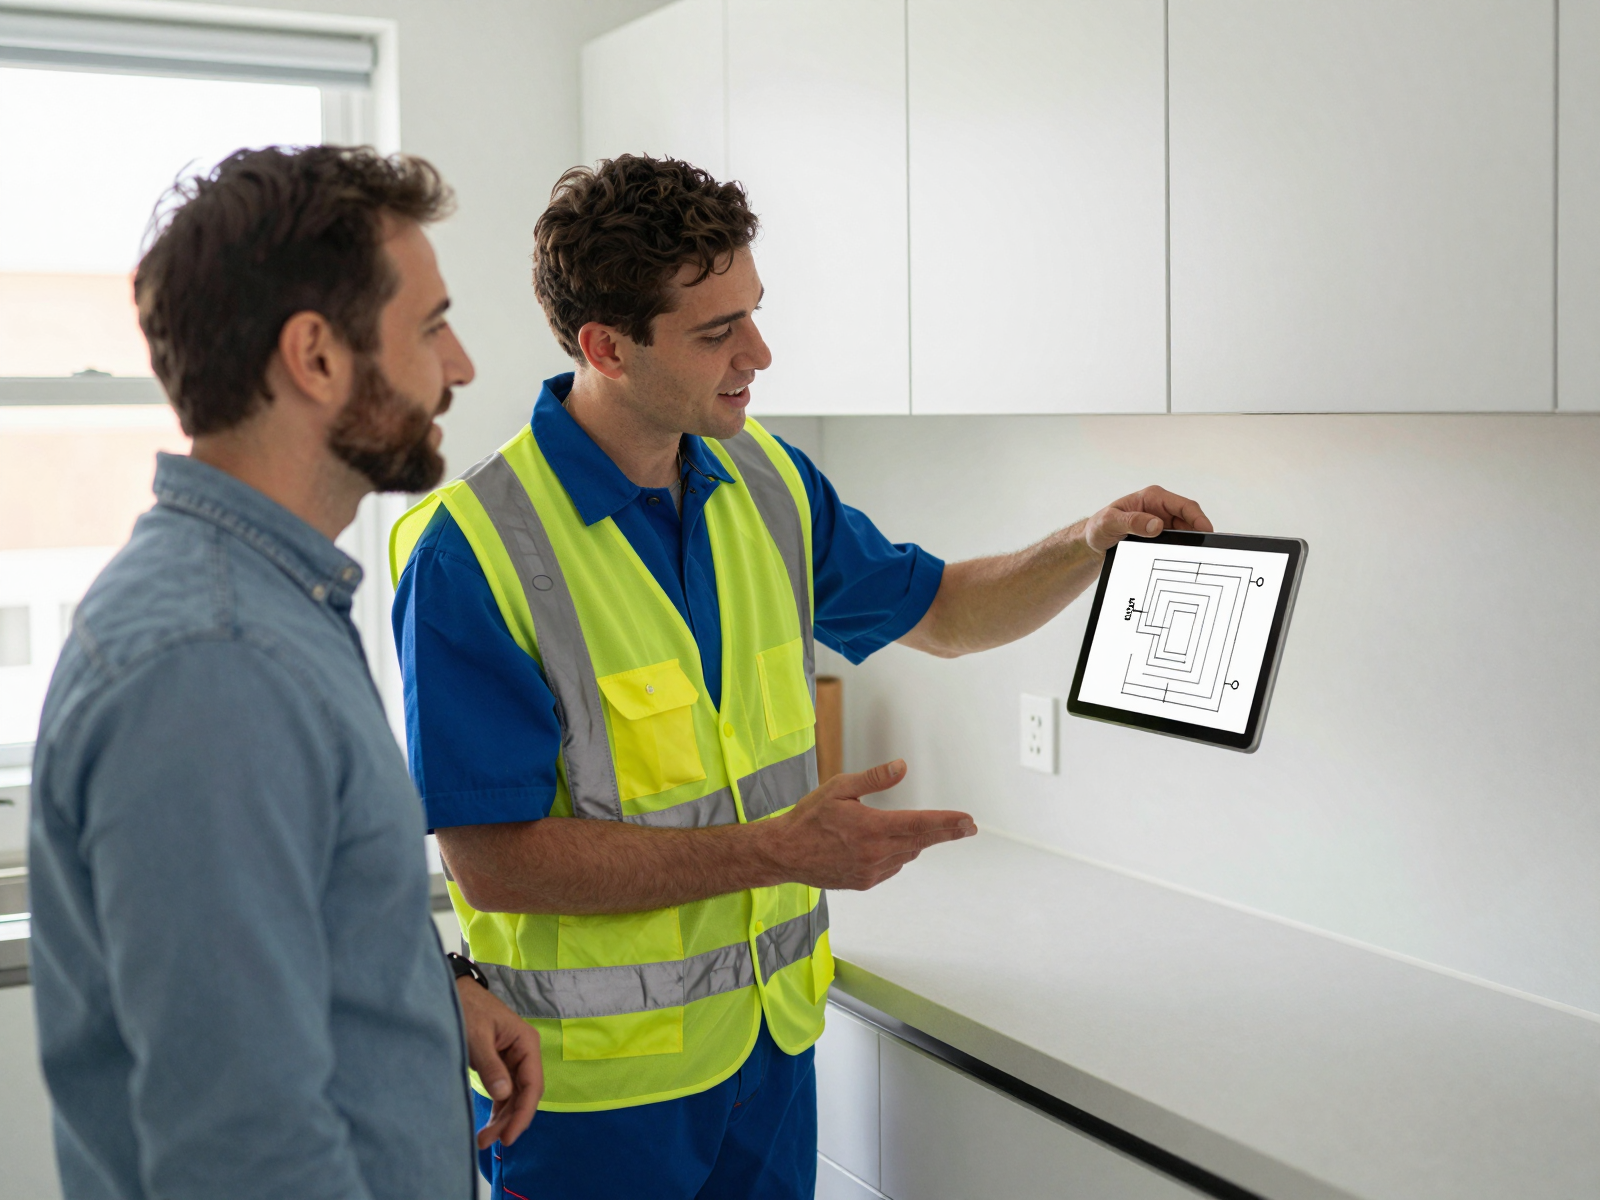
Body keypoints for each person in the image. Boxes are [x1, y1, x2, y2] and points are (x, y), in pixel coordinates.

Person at [391, 153, 1211, 1200]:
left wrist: (1088, 543)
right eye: (715, 332)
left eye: (754, 314)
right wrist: (778, 850)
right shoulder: (472, 551)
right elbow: (494, 865)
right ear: (606, 346)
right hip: (593, 1099)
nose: (758, 354)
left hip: (769, 1059)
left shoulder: (766, 482)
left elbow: (945, 614)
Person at [28, 145, 542, 1200]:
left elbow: (289, 928)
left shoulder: (275, 601)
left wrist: (423, 994)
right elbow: (241, 1153)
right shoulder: (212, 667)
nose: (462, 367)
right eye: (431, 325)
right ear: (314, 357)